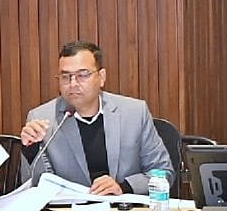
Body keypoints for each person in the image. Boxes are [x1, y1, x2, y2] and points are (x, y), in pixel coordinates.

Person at [18, 41, 174, 195]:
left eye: (82, 75)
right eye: (65, 77)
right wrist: (31, 151)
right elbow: (34, 186)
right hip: (70, 210)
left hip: (123, 208)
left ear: (101, 77)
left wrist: (124, 187)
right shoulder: (42, 119)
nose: (73, 84)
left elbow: (163, 172)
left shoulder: (134, 113)